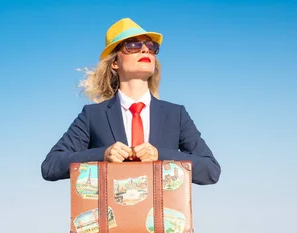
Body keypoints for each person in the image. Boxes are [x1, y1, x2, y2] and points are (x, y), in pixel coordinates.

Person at [41, 18, 221, 185]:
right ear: (114, 62)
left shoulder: (176, 115)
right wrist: (102, 154)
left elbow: (211, 170)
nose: (144, 50)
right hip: (111, 217)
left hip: (163, 217)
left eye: (151, 47)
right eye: (132, 45)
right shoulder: (92, 116)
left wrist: (160, 155)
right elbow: (50, 166)